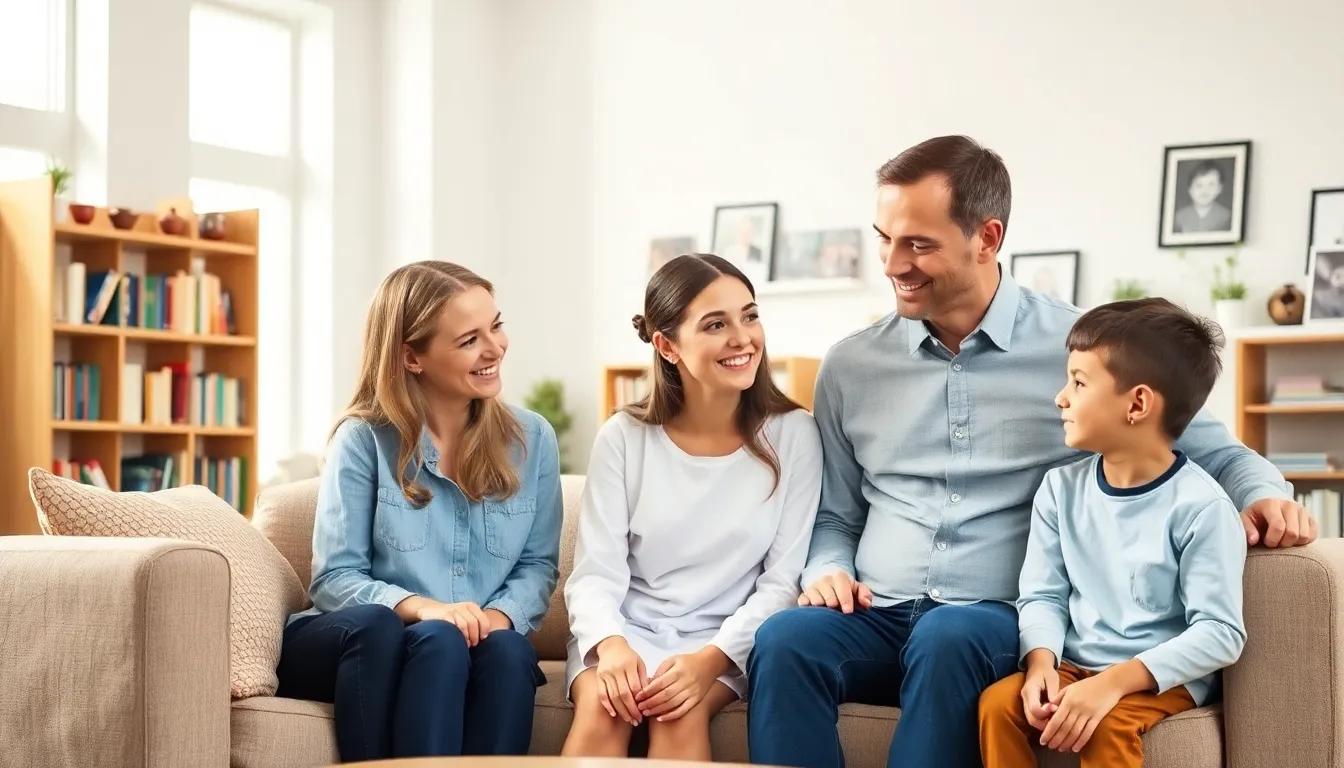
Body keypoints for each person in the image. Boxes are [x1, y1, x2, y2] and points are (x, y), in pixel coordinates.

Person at [745, 135, 1314, 768]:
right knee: (787, 639)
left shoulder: (1084, 354)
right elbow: (838, 514)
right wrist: (827, 567)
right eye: (885, 237)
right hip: (875, 609)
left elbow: (1214, 449)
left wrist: (1266, 493)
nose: (891, 263)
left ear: (987, 238)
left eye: (919, 244)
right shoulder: (850, 365)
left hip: (988, 619)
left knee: (948, 635)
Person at [275, 261, 563, 762]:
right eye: (469, 339)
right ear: (412, 357)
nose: (495, 348)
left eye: (496, 326)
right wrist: (428, 608)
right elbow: (335, 579)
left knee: (510, 651)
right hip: (376, 637)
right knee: (437, 639)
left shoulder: (533, 438)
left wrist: (494, 618)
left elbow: (537, 566)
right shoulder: (363, 439)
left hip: (468, 638)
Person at [561, 253, 823, 761]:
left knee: (675, 711)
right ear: (667, 345)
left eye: (749, 316)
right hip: (625, 630)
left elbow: (783, 580)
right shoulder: (623, 437)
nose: (742, 338)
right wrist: (611, 646)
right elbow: (595, 573)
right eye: (715, 325)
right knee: (602, 706)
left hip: (723, 638)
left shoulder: (795, 434)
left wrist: (709, 661)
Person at [978, 298, 1247, 766]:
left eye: (1078, 383)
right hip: (1072, 665)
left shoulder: (1203, 508)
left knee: (1106, 724)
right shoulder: (1059, 490)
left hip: (1156, 677)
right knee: (997, 706)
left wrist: (1111, 683)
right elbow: (1042, 594)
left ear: (1138, 403)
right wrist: (1040, 661)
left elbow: (1221, 632)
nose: (1060, 397)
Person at [1174, 161, 1232, 233]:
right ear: (1190, 189)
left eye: (1211, 184)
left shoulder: (1227, 217)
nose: (1205, 190)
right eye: (1199, 185)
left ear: (1219, 189)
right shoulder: (1179, 218)